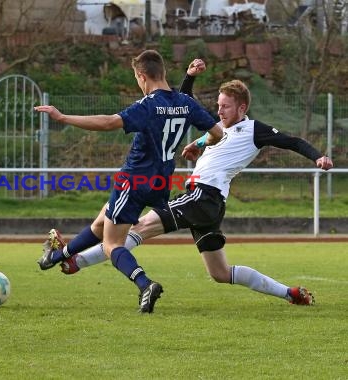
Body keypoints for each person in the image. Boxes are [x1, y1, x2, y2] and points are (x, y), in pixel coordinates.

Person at [53, 78, 333, 307]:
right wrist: (196, 142)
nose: (219, 111)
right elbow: (181, 107)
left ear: (242, 108)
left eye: (225, 106)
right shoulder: (220, 128)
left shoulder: (253, 130)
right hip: (210, 205)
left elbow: (291, 141)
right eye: (218, 105)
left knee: (138, 227)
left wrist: (317, 156)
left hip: (203, 195)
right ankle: (290, 293)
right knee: (220, 273)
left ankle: (76, 261)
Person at [34, 50, 223, 313]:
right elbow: (217, 133)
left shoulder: (148, 105)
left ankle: (145, 285)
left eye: (136, 78)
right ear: (164, 73)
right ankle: (56, 257)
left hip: (133, 181)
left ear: (142, 76)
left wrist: (63, 117)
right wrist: (198, 144)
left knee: (112, 245)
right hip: (160, 185)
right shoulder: (186, 103)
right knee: (102, 222)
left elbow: (110, 122)